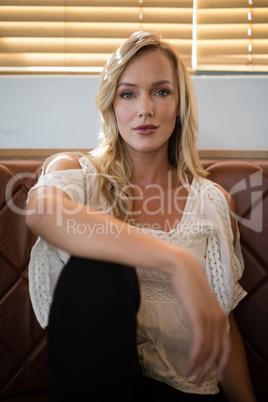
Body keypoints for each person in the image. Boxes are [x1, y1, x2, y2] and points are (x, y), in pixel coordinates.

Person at [26, 31, 256, 401]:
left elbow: (221, 323)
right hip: (100, 384)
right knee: (98, 267)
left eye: (161, 92)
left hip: (187, 390)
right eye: (128, 93)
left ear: (179, 104)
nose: (144, 108)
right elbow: (41, 213)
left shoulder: (212, 203)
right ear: (111, 105)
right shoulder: (76, 174)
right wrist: (175, 261)